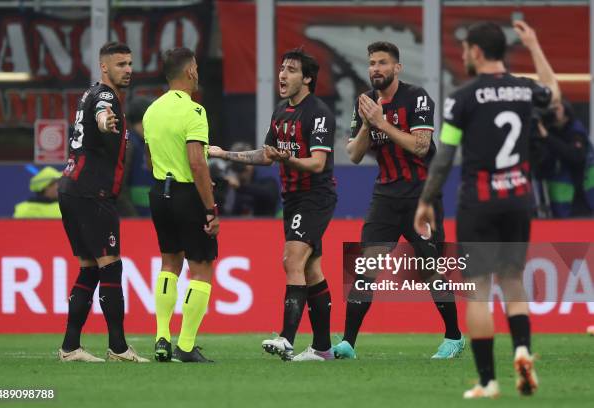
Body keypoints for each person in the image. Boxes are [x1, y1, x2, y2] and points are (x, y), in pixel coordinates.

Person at [414, 21, 560, 398]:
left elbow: (445, 155)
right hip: (517, 199)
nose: (463, 55)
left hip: (477, 202)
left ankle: (487, 381)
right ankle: (523, 350)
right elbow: (555, 96)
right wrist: (535, 44)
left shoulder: (462, 99)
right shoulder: (525, 90)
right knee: (513, 280)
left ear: (477, 52)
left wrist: (427, 199)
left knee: (479, 290)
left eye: (465, 50)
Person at [333, 41, 463, 360]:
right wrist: (367, 122)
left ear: (397, 68)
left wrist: (381, 123)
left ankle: (454, 337)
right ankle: (348, 343)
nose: (375, 68)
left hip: (421, 196)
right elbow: (353, 153)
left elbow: (420, 146)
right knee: (367, 267)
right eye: (372, 63)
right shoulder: (365, 103)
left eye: (382, 63)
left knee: (431, 268)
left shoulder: (416, 97)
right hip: (385, 196)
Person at [209, 48, 336, 361]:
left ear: (307, 78)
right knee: (310, 269)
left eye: (291, 70)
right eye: (282, 68)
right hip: (292, 198)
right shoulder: (281, 112)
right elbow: (266, 155)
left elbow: (318, 163)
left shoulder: (319, 113)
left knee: (291, 260)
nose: (282, 74)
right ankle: (322, 348)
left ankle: (286, 338)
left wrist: (287, 158)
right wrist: (224, 153)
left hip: (315, 196)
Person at [57, 42, 148, 362]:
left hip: (71, 188)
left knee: (89, 268)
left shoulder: (89, 93)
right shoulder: (106, 97)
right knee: (111, 265)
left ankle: (70, 347)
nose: (128, 69)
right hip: (91, 192)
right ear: (104, 68)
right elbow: (102, 115)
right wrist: (105, 122)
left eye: (130, 63)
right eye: (121, 64)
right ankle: (119, 347)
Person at [143, 47, 219, 363]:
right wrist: (211, 209)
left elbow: (149, 160)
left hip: (160, 191)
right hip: (187, 194)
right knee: (200, 270)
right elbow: (196, 163)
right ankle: (186, 345)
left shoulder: (151, 111)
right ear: (189, 71)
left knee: (169, 264)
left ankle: (162, 336)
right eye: (197, 68)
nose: (198, 73)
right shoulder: (194, 112)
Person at [536, 99, 594, 217]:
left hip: (583, 198)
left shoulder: (576, 130)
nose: (552, 112)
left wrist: (547, 137)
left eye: (556, 109)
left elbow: (575, 156)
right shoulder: (551, 130)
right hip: (560, 199)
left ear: (567, 111)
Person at [209, 142, 280, 216]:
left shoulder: (264, 175)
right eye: (237, 166)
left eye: (242, 166)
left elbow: (270, 195)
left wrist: (240, 187)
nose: (241, 174)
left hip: (263, 222)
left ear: (251, 164)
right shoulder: (229, 179)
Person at [119, 96, 154, 217]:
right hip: (136, 219)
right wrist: (133, 217)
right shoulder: (128, 145)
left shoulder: (148, 143)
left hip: (151, 216)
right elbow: (120, 188)